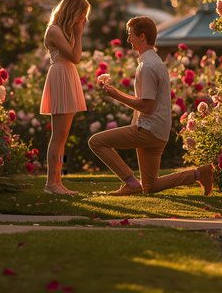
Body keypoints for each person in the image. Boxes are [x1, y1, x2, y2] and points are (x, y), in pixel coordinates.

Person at [89, 16, 213, 196]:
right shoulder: (155, 62)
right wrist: (117, 93)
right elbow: (148, 102)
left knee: (96, 142)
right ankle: (199, 173)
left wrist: (116, 95)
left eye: (131, 34)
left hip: (148, 130)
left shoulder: (147, 66)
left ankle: (131, 183)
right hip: (158, 131)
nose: (128, 39)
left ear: (142, 36)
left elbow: (147, 107)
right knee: (150, 186)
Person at [39, 0, 91, 195]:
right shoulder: (54, 30)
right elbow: (75, 57)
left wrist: (77, 33)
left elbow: (75, 58)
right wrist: (78, 34)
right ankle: (51, 183)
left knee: (63, 135)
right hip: (60, 75)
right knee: (58, 135)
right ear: (73, 12)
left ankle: (57, 182)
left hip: (68, 75)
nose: (84, 20)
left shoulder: (64, 31)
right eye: (82, 15)